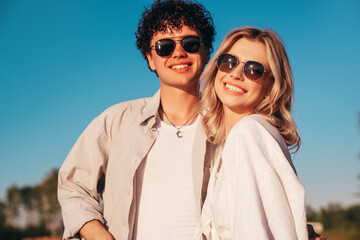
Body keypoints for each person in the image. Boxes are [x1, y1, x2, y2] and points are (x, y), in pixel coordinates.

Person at [58, 0, 324, 239]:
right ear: (150, 59)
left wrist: (300, 229)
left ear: (208, 53)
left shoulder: (232, 128)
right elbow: (73, 185)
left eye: (190, 44)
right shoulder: (117, 122)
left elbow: (258, 202)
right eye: (164, 47)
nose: (178, 53)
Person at [197, 27, 325, 239]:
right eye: (229, 61)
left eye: (254, 70)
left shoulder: (249, 134)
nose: (236, 74)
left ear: (270, 86)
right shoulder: (232, 144)